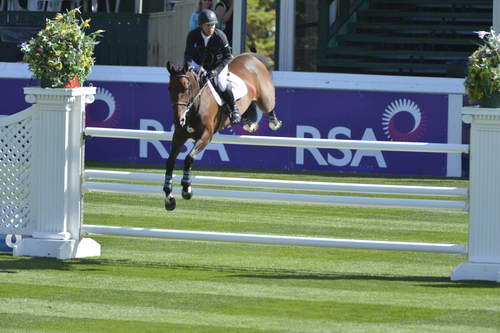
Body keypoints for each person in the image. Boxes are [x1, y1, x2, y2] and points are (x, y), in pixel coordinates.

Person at [184, 9, 241, 124]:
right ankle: (185, 109)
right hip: (198, 63)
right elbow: (188, 54)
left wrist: (216, 71)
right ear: (201, 25)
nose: (211, 28)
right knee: (188, 81)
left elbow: (228, 57)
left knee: (221, 83)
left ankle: (234, 109)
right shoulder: (193, 35)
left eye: (213, 25)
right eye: (208, 25)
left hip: (217, 64)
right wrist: (189, 66)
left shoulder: (220, 36)